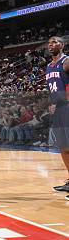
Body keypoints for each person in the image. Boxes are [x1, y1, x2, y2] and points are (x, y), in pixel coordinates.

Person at [46, 37, 69, 200]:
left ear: (62, 45)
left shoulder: (66, 61)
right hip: (58, 109)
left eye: (54, 42)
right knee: (63, 147)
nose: (51, 45)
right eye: (49, 43)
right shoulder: (48, 66)